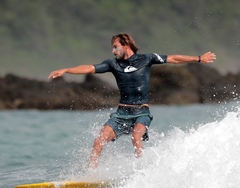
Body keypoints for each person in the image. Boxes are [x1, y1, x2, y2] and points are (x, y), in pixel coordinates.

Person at [48, 33, 216, 168]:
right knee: (99, 141)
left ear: (126, 45)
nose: (113, 51)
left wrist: (199, 58)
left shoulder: (147, 59)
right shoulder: (112, 64)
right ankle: (91, 174)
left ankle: (142, 171)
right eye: (112, 48)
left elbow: (173, 59)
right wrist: (67, 70)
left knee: (136, 137)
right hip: (121, 113)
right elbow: (89, 68)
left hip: (141, 112)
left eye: (116, 47)